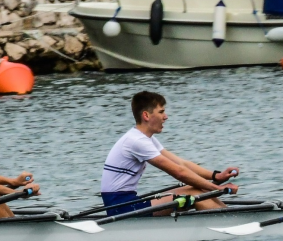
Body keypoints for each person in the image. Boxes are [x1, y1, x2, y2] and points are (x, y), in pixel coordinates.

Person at [101, 92, 240, 216]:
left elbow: (181, 163)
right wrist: (218, 188)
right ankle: (230, 222)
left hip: (127, 201)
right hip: (120, 207)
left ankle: (230, 218)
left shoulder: (145, 138)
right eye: (161, 112)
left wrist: (216, 176)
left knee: (197, 188)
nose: (165, 117)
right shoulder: (136, 141)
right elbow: (179, 172)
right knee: (194, 193)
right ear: (146, 115)